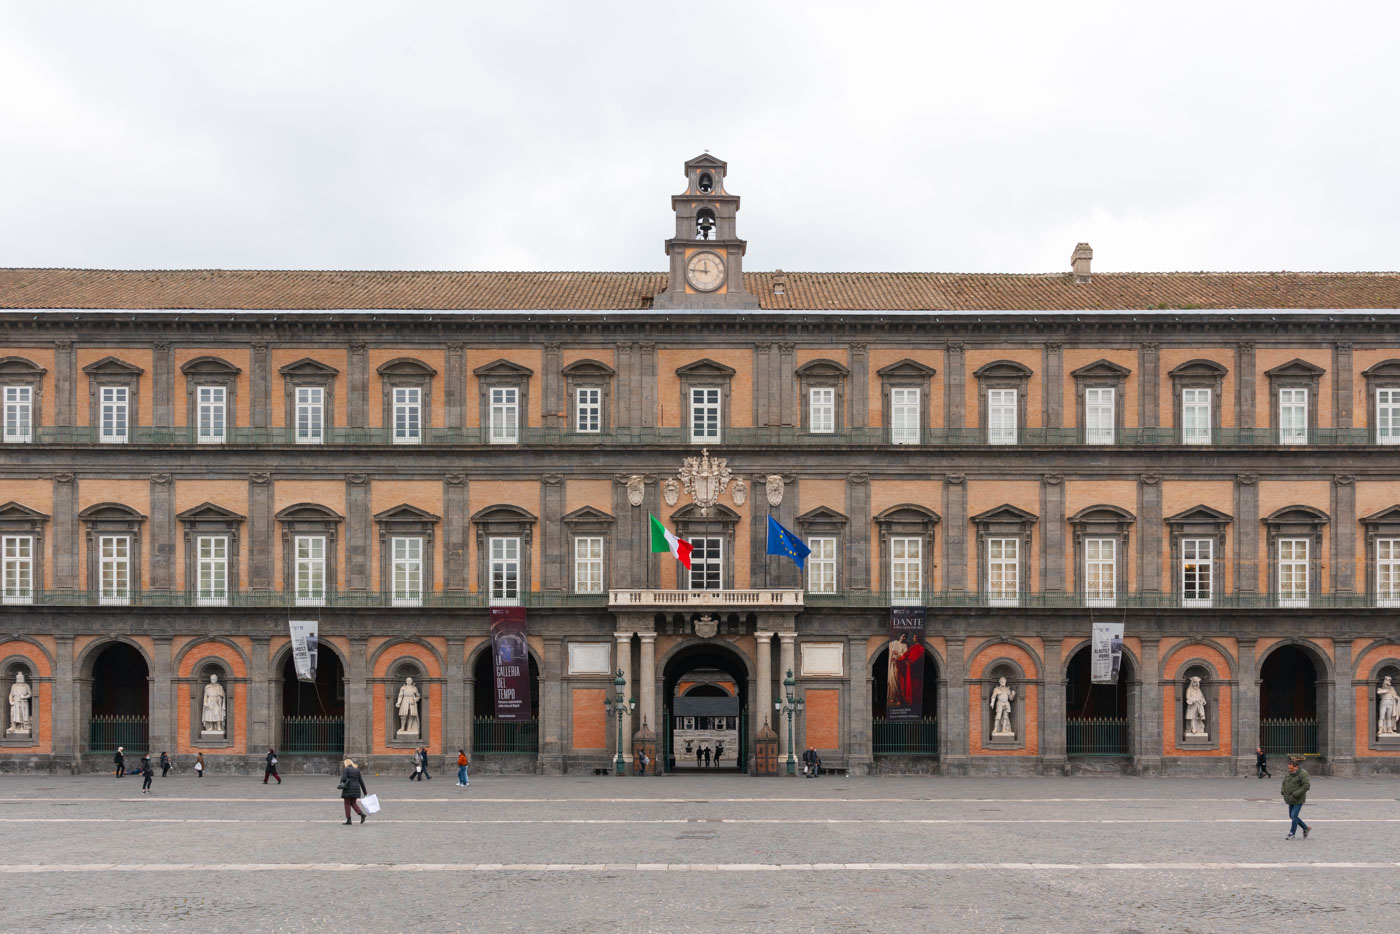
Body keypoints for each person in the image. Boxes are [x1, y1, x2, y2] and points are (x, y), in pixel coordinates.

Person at [1281, 758, 1311, 840]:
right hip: (1290, 798)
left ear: (1296, 767)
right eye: (1289, 768)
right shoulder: (1288, 773)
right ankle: (1305, 828)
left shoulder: (1303, 774)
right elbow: (1284, 782)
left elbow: (1306, 786)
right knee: (1292, 816)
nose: (1290, 770)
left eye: (1291, 768)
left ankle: (1292, 833)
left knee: (1294, 815)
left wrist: (1296, 793)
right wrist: (1283, 790)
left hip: (1298, 798)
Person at [338, 757, 368, 825]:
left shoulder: (346, 769)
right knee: (353, 803)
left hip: (348, 789)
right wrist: (365, 792)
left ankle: (349, 820)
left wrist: (341, 782)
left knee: (347, 804)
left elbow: (344, 778)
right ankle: (361, 814)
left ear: (346, 764)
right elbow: (361, 782)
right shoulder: (357, 770)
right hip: (356, 789)